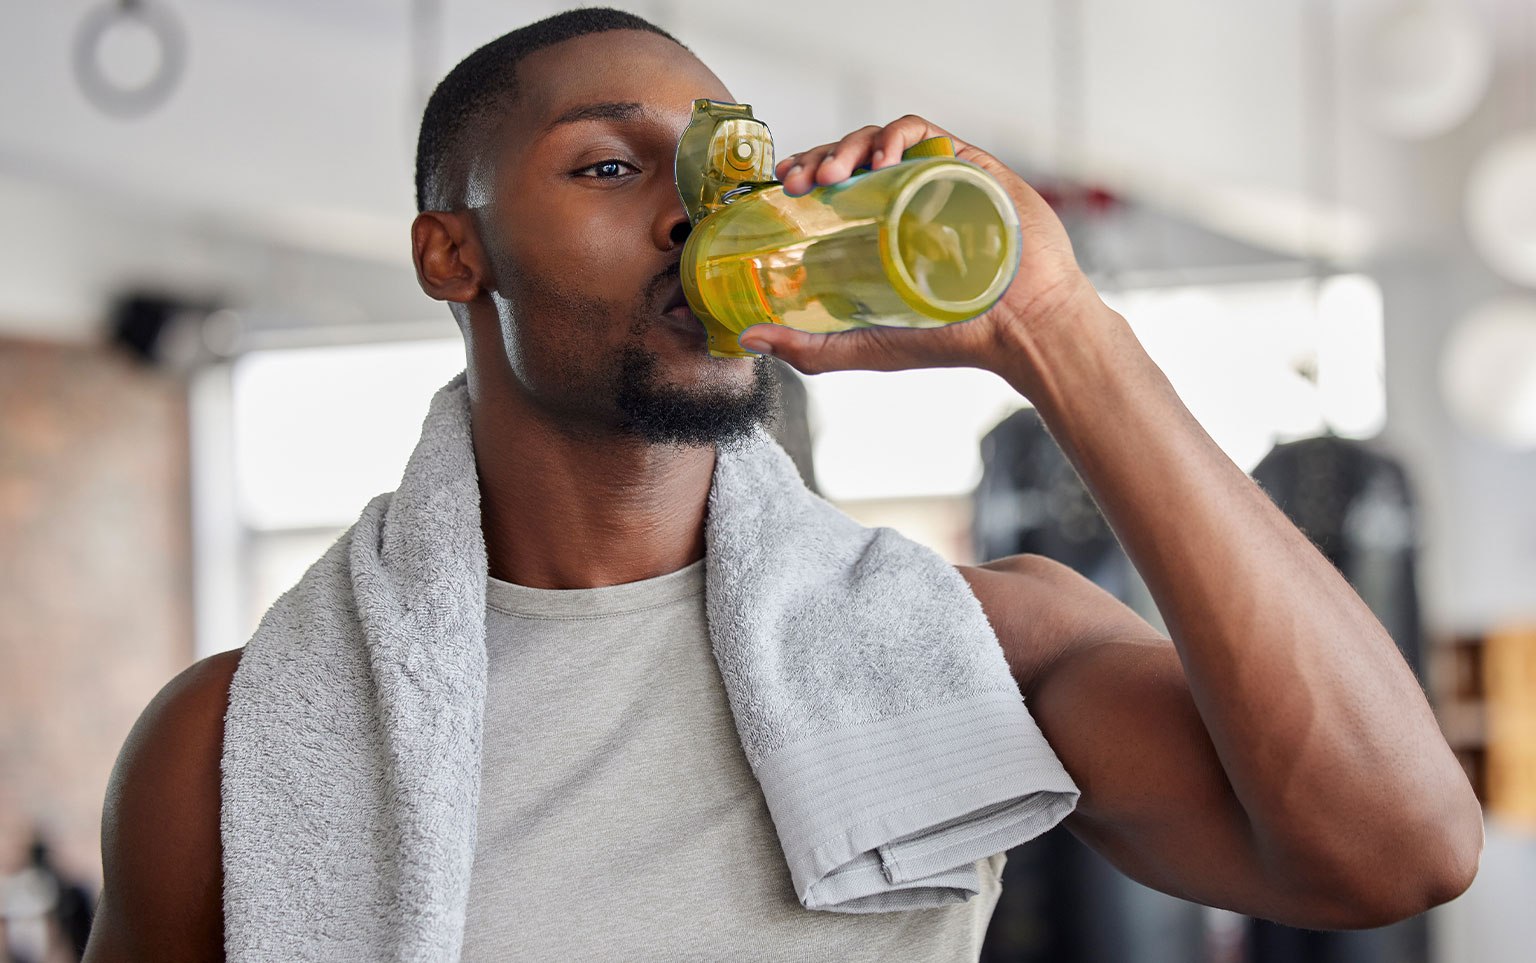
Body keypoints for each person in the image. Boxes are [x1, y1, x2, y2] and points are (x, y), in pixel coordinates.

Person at [83, 8, 1482, 961]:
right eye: (613, 164)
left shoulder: (967, 651)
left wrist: (1058, 336)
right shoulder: (240, 743)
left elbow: (1396, 852)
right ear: (456, 256)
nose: (699, 211)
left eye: (721, 165)